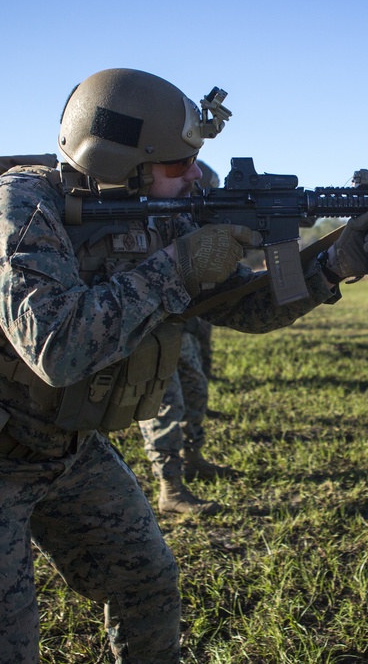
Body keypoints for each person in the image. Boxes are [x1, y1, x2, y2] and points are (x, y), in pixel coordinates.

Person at [0, 67, 368, 663]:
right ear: (121, 164)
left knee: (147, 582)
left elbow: (239, 306)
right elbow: (59, 349)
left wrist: (332, 265)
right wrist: (178, 266)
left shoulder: (155, 212)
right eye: (179, 164)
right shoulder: (17, 208)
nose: (194, 175)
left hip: (65, 445)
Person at [139, 161, 235, 515]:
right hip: (148, 328)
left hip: (178, 323)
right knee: (165, 404)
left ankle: (193, 456)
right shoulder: (139, 213)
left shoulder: (180, 216)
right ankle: (170, 488)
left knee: (196, 387)